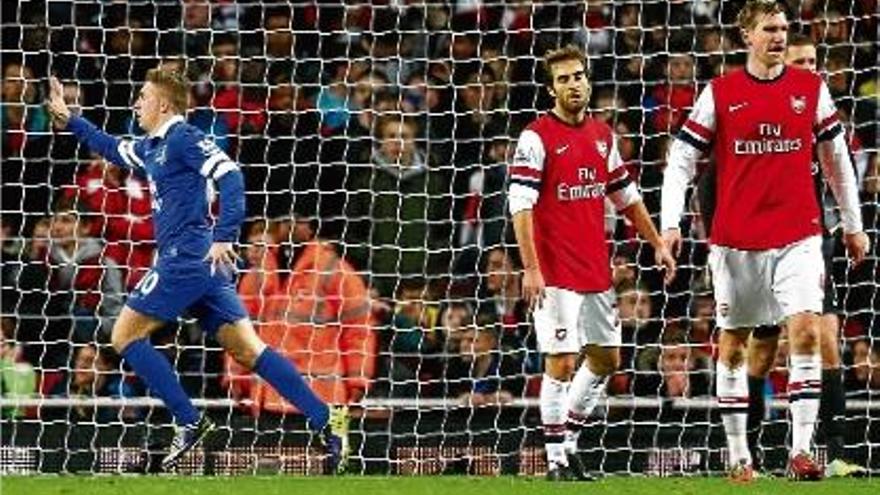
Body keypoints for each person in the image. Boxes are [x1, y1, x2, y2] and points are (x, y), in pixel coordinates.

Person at [45, 69, 349, 473]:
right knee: (247, 349)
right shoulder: (153, 147)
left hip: (185, 258)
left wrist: (226, 234)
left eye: (142, 96)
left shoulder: (184, 138)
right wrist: (72, 120)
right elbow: (114, 148)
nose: (135, 103)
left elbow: (231, 176)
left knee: (123, 334)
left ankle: (189, 421)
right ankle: (327, 420)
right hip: (199, 263)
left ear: (164, 104)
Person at [660, 1, 869, 482]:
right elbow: (680, 162)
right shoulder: (720, 93)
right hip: (735, 243)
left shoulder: (811, 89)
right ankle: (738, 454)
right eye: (769, 29)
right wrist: (671, 223)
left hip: (799, 237)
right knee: (733, 348)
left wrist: (853, 225)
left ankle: (801, 451)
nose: (778, 37)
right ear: (746, 36)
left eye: (783, 29)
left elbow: (837, 161)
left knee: (808, 334)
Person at [508, 44, 675, 481]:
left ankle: (570, 443)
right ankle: (556, 460)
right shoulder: (536, 137)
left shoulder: (603, 136)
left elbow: (626, 196)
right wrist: (530, 268)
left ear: (588, 80)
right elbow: (520, 207)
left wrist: (656, 242)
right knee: (561, 362)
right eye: (563, 79)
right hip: (554, 272)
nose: (574, 84)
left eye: (578, 76)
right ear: (551, 90)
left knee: (605, 358)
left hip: (595, 270)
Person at [721, 32, 868, 479]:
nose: (806, 68)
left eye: (812, 61)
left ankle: (834, 449)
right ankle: (753, 448)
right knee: (762, 349)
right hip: (755, 243)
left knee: (823, 337)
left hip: (808, 240)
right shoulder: (751, 106)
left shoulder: (818, 111)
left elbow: (841, 170)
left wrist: (850, 224)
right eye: (799, 60)